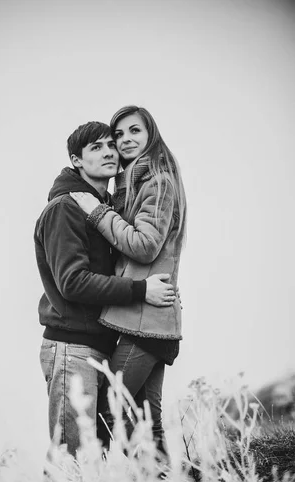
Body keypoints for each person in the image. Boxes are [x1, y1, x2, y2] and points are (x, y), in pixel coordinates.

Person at [34, 121, 177, 457]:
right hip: (71, 346)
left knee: (95, 449)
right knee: (74, 453)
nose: (109, 151)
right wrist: (141, 291)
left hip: (99, 342)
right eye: (96, 148)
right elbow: (73, 282)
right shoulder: (66, 208)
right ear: (77, 160)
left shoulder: (104, 206)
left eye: (110, 145)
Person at [70, 106, 187, 461]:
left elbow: (144, 245)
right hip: (150, 319)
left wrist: (98, 212)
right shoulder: (135, 183)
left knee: (107, 413)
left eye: (135, 131)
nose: (125, 141)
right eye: (119, 135)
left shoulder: (159, 182)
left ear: (151, 134)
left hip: (146, 324)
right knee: (147, 423)